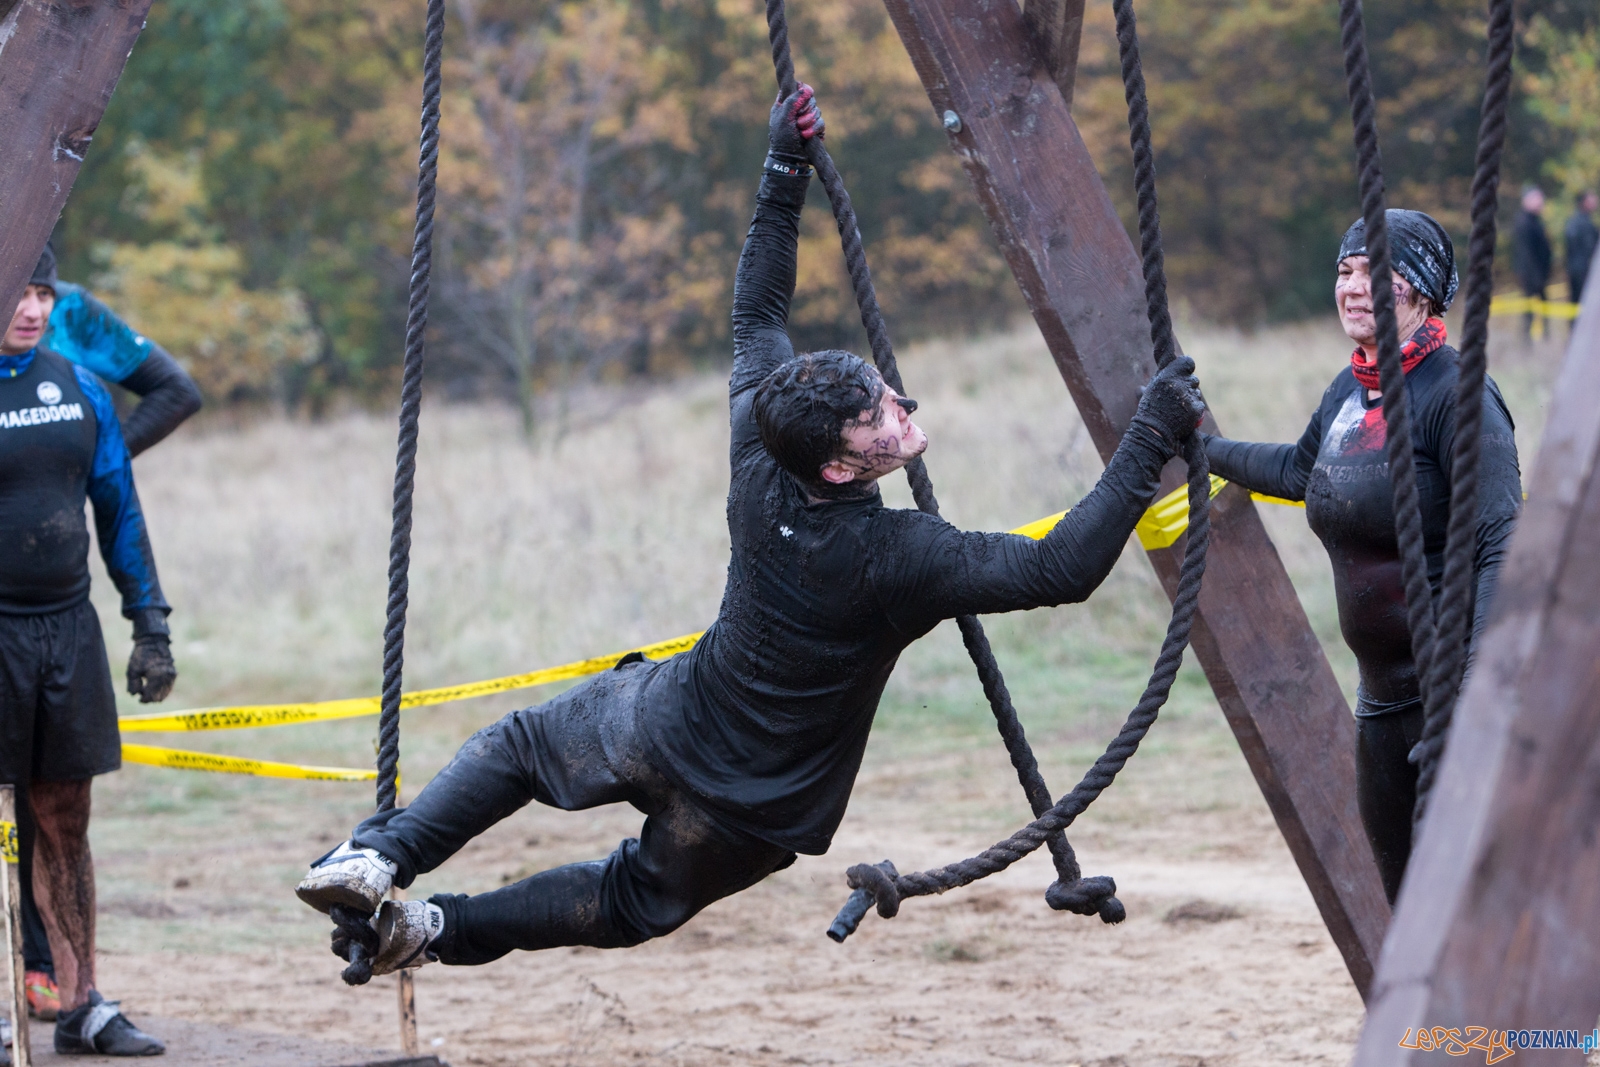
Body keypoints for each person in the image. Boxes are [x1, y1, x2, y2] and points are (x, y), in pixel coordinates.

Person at [293, 85, 1207, 974]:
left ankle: (378, 860)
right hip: (758, 805)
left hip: (673, 715)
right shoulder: (898, 558)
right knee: (626, 901)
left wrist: (781, 171)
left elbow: (757, 313)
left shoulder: (760, 444)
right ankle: (429, 929)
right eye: (879, 415)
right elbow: (1063, 568)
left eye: (883, 392)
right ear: (841, 468)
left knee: (522, 746)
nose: (901, 404)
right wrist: (1150, 434)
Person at [1196, 210, 1521, 904]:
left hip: (1450, 700)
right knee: (1406, 913)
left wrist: (1467, 704)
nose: (1349, 286)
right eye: (1344, 270)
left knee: (1475, 912)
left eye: (1371, 271)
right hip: (1382, 706)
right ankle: (1431, 1024)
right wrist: (1199, 443)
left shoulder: (1457, 395)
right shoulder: (1351, 390)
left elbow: (1501, 545)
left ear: (1419, 289)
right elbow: (1298, 470)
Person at [14, 242, 203, 1026]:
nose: (32, 309)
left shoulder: (79, 381)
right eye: (15, 295)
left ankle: (81, 1000)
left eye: (41, 293)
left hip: (66, 629)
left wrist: (150, 625)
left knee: (65, 819)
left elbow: (121, 509)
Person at [1512, 185, 1553, 339]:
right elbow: (1526, 253)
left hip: (1540, 274)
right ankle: (1526, 339)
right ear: (1526, 200)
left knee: (1543, 307)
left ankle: (1545, 335)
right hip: (1531, 275)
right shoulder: (1524, 222)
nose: (1540, 202)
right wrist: (1534, 277)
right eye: (1537, 198)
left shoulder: (1537, 221)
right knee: (1529, 308)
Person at [1565, 190, 1598, 310]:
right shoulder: (1585, 225)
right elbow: (1590, 249)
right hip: (1584, 271)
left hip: (1575, 269)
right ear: (1585, 202)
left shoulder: (1573, 222)